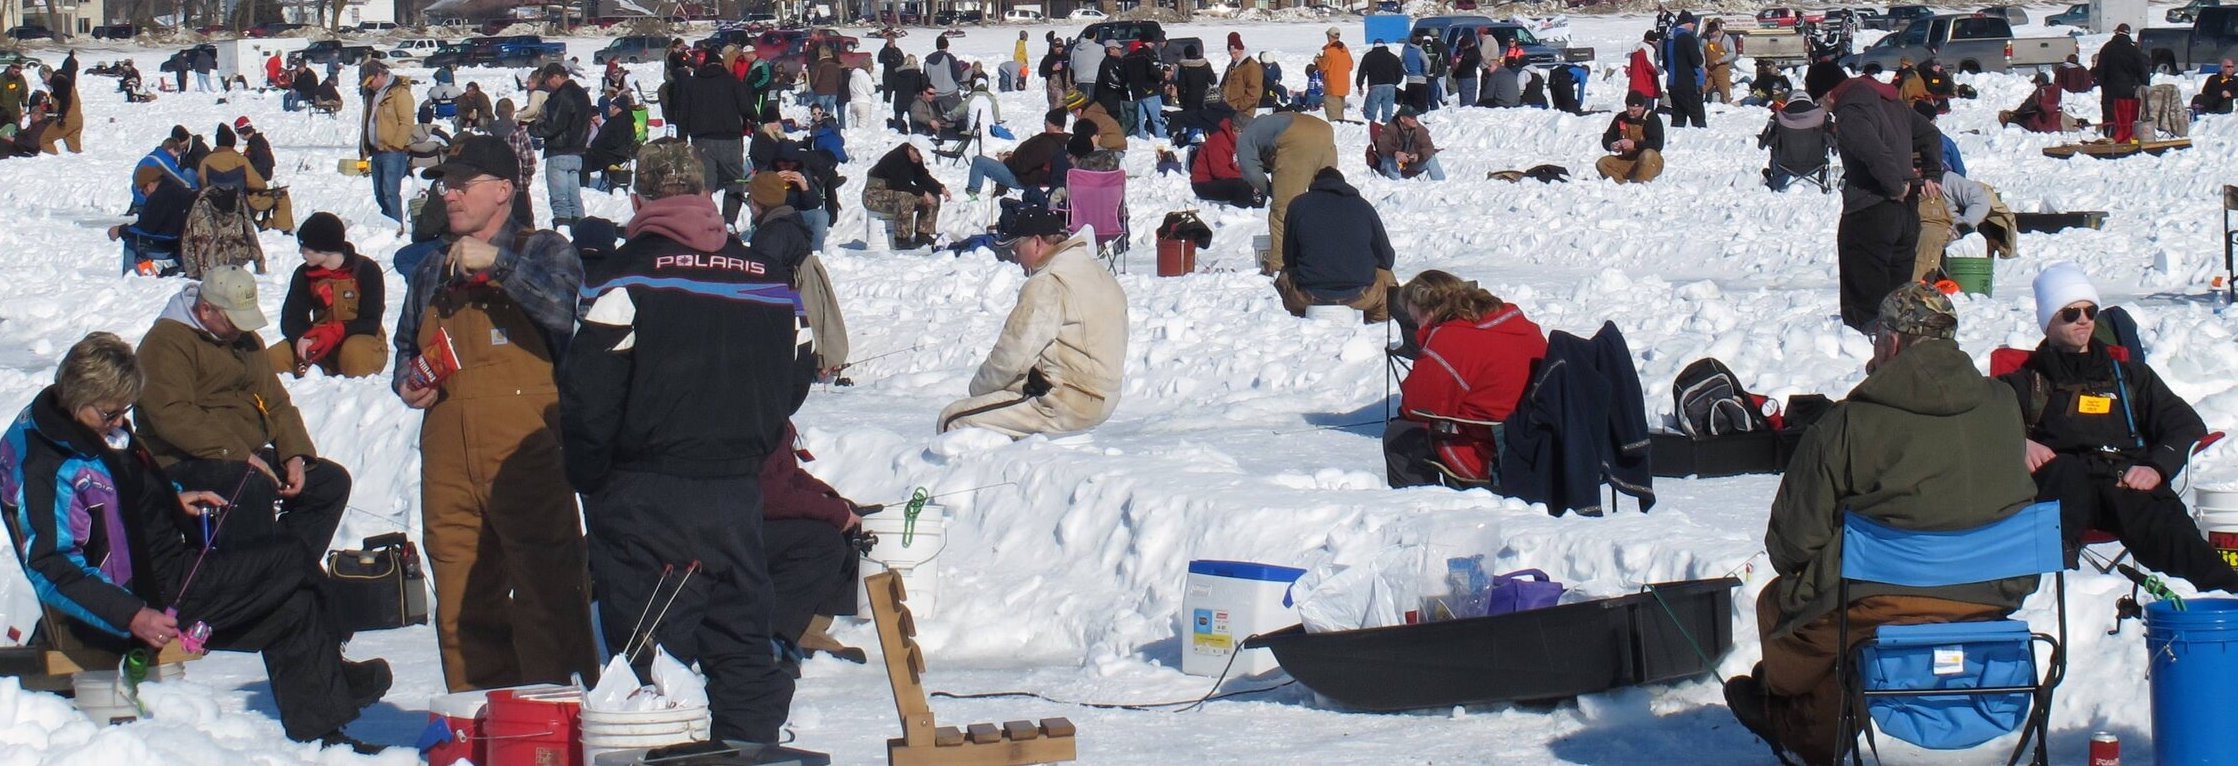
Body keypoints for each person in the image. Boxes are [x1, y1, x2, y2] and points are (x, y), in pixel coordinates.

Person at [2, 332, 392, 753]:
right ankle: (339, 661)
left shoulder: (75, 424)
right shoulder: (47, 463)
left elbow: (121, 485)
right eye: (110, 414)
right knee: (290, 560)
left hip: (160, 568)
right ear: (77, 395)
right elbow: (50, 564)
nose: (118, 423)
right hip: (149, 597)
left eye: (124, 412)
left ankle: (326, 740)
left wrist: (171, 498)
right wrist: (134, 615)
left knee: (292, 606)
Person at [1724, 283, 2044, 766]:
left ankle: (1796, 722)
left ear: (1892, 342)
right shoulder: (2003, 406)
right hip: (1994, 591)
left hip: (1881, 600)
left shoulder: (1848, 423)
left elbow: (1791, 545)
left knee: (1785, 608)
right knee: (1848, 624)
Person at [563, 138, 813, 743]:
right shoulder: (770, 278)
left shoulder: (622, 277)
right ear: (705, 195)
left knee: (648, 665)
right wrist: (747, 437)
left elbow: (587, 397)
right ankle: (751, 750)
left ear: (638, 198)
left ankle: (655, 750)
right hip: (734, 495)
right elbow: (796, 375)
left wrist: (592, 477)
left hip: (643, 492)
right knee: (741, 644)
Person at [393, 136, 599, 693]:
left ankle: (556, 715)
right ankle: (478, 718)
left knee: (547, 585)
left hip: (526, 450)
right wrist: (409, 382)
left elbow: (570, 312)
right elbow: (405, 351)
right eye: (446, 183)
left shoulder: (545, 249)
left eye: (464, 183)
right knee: (460, 592)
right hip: (447, 450)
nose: (450, 193)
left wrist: (501, 266)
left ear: (504, 190)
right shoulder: (431, 266)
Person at [2000, 264, 2238, 593]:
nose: (2083, 320)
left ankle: (2224, 594)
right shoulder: (2024, 381)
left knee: (2160, 520)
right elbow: (1976, 427)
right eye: (2070, 313)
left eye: (2089, 310)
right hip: (2061, 485)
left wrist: (2156, 466)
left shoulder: (2129, 376)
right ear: (2049, 322)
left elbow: (2184, 425)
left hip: (2122, 478)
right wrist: (2018, 443)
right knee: (2064, 476)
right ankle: (2055, 598)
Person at [134, 265, 352, 566]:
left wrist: (295, 454)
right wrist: (238, 454)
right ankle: (254, 580)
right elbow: (172, 415)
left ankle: (288, 569)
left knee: (330, 484)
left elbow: (276, 401)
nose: (240, 329)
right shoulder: (167, 342)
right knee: (250, 487)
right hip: (182, 459)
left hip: (242, 455)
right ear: (207, 309)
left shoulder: (246, 342)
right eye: (233, 320)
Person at [937, 208, 1127, 438]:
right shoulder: (1097, 272)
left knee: (953, 420)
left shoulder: (1048, 282)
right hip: (1103, 397)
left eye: (1017, 248)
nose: (1016, 258)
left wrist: (977, 391)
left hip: (1066, 401)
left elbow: (1012, 356)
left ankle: (990, 473)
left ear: (1036, 243)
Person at [1807, 61, 1941, 334]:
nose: (1825, 110)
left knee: (1867, 303)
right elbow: (1930, 132)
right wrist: (1931, 174)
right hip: (1907, 212)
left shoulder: (1850, 111)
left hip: (1871, 210)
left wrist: (1895, 186)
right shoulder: (1888, 100)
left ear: (1829, 94)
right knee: (1898, 298)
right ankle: (1899, 347)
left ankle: (1867, 347)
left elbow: (1874, 152)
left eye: (1821, 103)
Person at [1383, 271, 1547, 488]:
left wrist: (1427, 345)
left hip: (1493, 452)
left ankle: (1423, 511)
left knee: (1400, 436)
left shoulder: (1450, 341)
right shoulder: (1515, 321)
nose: (1417, 329)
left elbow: (1416, 408)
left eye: (1416, 320)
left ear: (1428, 310)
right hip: (1539, 440)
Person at [759, 424, 866, 663]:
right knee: (824, 543)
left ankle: (811, 628)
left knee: (849, 524)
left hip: (759, 516)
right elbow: (770, 495)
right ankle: (768, 636)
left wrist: (831, 498)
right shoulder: (756, 417)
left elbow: (788, 476)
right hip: (737, 525)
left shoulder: (775, 416)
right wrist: (832, 511)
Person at [269, 213, 386, 378]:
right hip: (318, 341)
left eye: (305, 247)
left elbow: (371, 322)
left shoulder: (367, 270)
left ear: (323, 247)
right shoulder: (304, 274)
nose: (301, 251)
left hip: (360, 339)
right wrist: (301, 338)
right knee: (274, 358)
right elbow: (291, 318)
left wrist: (336, 331)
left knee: (354, 353)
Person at [1275, 167, 1397, 323]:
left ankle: (1300, 325)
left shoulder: (1298, 205)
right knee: (1388, 279)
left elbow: (1289, 258)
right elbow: (1386, 259)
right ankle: (1375, 330)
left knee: (1284, 277)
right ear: (1343, 184)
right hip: (1360, 293)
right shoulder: (1363, 207)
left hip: (1308, 293)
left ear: (1314, 184)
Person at [1237, 110, 1339, 276]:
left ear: (1238, 129)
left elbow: (1251, 172)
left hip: (1296, 138)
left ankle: (1280, 266)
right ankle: (1332, 256)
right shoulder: (1268, 123)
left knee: (1283, 209)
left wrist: (1271, 191)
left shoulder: (1246, 135)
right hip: (1325, 131)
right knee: (1325, 201)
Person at [671, 51, 755, 227]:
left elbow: (683, 114)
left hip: (701, 141)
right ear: (721, 64)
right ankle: (729, 223)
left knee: (704, 184)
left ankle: (706, 223)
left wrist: (681, 138)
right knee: (735, 181)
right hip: (730, 140)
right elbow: (747, 108)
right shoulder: (733, 82)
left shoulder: (692, 85)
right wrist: (754, 119)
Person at [198, 124, 296, 234]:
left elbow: (203, 185)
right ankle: (283, 227)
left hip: (216, 206)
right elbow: (260, 185)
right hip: (242, 204)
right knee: (281, 194)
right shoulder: (240, 160)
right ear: (233, 142)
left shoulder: (206, 161)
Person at [530, 63, 592, 229]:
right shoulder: (582, 94)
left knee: (560, 201)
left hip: (559, 152)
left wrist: (533, 129)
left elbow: (554, 125)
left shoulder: (562, 95)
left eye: (548, 81)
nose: (548, 86)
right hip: (577, 152)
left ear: (556, 77)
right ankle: (580, 232)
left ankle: (563, 231)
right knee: (574, 199)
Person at [967, 108, 1069, 199]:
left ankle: (972, 194)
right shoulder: (1063, 140)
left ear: (1053, 124)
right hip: (1025, 172)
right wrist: (1014, 156)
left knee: (979, 161)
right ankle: (998, 194)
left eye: (1046, 121)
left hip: (1021, 178)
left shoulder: (1047, 144)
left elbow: (1023, 166)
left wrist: (1005, 160)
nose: (1044, 123)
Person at [108, 169, 195, 275]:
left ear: (149, 186)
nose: (143, 195)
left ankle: (130, 279)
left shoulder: (159, 197)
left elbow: (147, 228)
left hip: (168, 246)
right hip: (183, 245)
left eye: (142, 191)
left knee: (130, 243)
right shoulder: (179, 189)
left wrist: (121, 231)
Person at [865, 142, 948, 249]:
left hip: (895, 192)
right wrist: (923, 193)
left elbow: (922, 177)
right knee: (905, 197)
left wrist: (940, 188)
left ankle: (923, 234)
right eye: (918, 155)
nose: (919, 158)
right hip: (874, 194)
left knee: (933, 197)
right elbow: (900, 185)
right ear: (910, 149)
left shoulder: (914, 159)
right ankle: (902, 239)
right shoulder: (896, 158)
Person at [362, 64, 414, 223]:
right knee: (379, 193)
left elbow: (406, 123)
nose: (369, 86)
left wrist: (396, 146)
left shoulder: (400, 94)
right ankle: (388, 223)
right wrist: (363, 153)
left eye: (371, 81)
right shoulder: (372, 96)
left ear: (379, 75)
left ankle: (396, 224)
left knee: (390, 191)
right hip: (376, 151)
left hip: (392, 152)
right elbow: (366, 124)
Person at [1759, 93, 1828, 192]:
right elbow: (1833, 140)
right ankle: (1822, 183)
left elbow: (1765, 142)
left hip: (1785, 164)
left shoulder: (1780, 117)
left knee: (1777, 149)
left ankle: (1776, 183)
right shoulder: (1821, 116)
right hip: (1816, 163)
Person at [2096, 24, 2151, 142]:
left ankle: (2111, 135)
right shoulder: (2133, 50)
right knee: (2127, 112)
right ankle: (2128, 135)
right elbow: (2142, 70)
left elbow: (2100, 69)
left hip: (2110, 87)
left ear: (2116, 33)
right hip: (2129, 88)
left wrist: (2101, 83)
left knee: (2110, 112)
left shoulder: (2107, 48)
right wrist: (2145, 83)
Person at [1597, 92, 1666, 184]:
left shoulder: (1651, 118)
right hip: (1628, 161)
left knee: (1648, 154)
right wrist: (1612, 145)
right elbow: (1607, 137)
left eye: (1634, 111)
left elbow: (1658, 144)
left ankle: (1641, 185)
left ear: (1642, 107)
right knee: (1602, 163)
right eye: (1629, 110)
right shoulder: (1621, 118)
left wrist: (1634, 145)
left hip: (1650, 162)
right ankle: (1620, 187)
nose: (1631, 113)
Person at [1191, 116, 1258, 208]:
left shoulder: (1240, 143)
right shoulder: (1218, 141)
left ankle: (1258, 210)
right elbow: (1219, 171)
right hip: (1203, 183)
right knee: (1241, 186)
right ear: (1236, 130)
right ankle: (1238, 213)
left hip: (1224, 179)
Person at [133, 128, 198, 213]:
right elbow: (180, 181)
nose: (177, 158)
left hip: (139, 200)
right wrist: (195, 192)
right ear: (171, 150)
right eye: (177, 154)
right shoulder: (163, 161)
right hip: (148, 202)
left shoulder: (150, 157)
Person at [584, 95, 640, 194]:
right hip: (616, 154)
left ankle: (582, 186)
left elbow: (613, 141)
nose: (609, 110)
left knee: (583, 158)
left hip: (610, 155)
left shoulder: (618, 122)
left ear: (618, 109)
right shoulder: (627, 119)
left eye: (611, 107)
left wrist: (595, 146)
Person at [1373, 105, 1444, 181]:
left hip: (1410, 163)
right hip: (1394, 162)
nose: (1415, 120)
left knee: (1431, 159)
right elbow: (1382, 145)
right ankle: (1397, 184)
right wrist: (1395, 153)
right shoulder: (1390, 128)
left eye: (1415, 117)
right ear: (1402, 119)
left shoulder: (1420, 129)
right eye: (1411, 117)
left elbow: (1429, 147)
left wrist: (1419, 156)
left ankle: (1441, 184)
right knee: (1388, 158)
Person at [1665, 12, 1706, 128]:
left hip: (1672, 83)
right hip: (1688, 83)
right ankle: (1701, 139)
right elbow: (1697, 60)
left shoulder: (1668, 38)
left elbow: (1665, 62)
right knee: (1697, 116)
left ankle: (1676, 140)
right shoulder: (1687, 38)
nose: (1693, 26)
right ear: (1687, 23)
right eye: (1692, 23)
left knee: (1678, 116)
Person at [1122, 38, 1165, 139]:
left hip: (1136, 92)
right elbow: (1154, 71)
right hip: (1151, 90)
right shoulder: (1146, 54)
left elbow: (1124, 77)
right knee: (1157, 118)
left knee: (1139, 120)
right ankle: (1162, 137)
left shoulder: (1126, 58)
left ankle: (1141, 138)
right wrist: (1160, 78)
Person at [41, 52, 83, 154]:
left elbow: (65, 99)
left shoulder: (58, 80)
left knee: (45, 140)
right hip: (78, 120)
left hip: (67, 120)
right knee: (74, 149)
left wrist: (60, 117)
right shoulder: (64, 79)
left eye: (43, 78)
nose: (44, 82)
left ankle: (53, 163)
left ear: (46, 74)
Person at [1222, 33, 1266, 128]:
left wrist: (1236, 106)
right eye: (1231, 53)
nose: (1233, 56)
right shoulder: (1232, 66)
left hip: (1243, 113)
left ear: (1242, 50)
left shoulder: (1252, 67)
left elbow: (1254, 93)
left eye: (1236, 53)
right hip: (1229, 111)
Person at [1356, 39, 1401, 124]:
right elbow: (1400, 73)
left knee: (1370, 112)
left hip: (1375, 87)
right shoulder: (1393, 57)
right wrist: (1394, 83)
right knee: (1387, 112)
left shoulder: (1368, 56)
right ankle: (1387, 128)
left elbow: (1361, 72)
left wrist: (1359, 85)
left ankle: (1369, 127)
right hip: (1390, 87)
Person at [1318, 28, 1353, 123]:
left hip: (1331, 87)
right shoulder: (1345, 51)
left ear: (1329, 36)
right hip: (1343, 87)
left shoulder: (1329, 51)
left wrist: (1318, 61)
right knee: (1340, 116)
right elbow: (1350, 66)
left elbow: (1323, 67)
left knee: (1334, 120)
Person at [1703, 18, 1738, 104]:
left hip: (1721, 69)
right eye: (1709, 33)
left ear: (1718, 30)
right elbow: (1702, 53)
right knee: (1702, 88)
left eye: (1713, 33)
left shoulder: (1726, 38)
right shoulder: (1704, 39)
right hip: (1708, 69)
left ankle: (1726, 105)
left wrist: (1721, 60)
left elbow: (1732, 53)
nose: (1711, 35)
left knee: (1724, 91)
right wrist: (1703, 66)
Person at [1627, 31, 1663, 112]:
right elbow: (1652, 67)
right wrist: (1661, 70)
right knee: (1648, 112)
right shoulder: (1649, 49)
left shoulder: (1636, 49)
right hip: (1647, 85)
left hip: (1635, 85)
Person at [1039, 38, 1071, 110]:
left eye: (1061, 46)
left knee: (1066, 112)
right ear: (1053, 47)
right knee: (1055, 112)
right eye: (1057, 46)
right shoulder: (1048, 58)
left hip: (1067, 89)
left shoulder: (1067, 57)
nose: (1059, 48)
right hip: (1055, 91)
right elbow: (1041, 72)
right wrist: (1051, 69)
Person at [1, 61, 27, 128]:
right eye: (16, 72)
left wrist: (24, 105)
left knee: (17, 132)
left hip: (15, 112)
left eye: (19, 72)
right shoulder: (1, 79)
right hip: (3, 113)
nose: (17, 74)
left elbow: (24, 92)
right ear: (11, 69)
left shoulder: (20, 78)